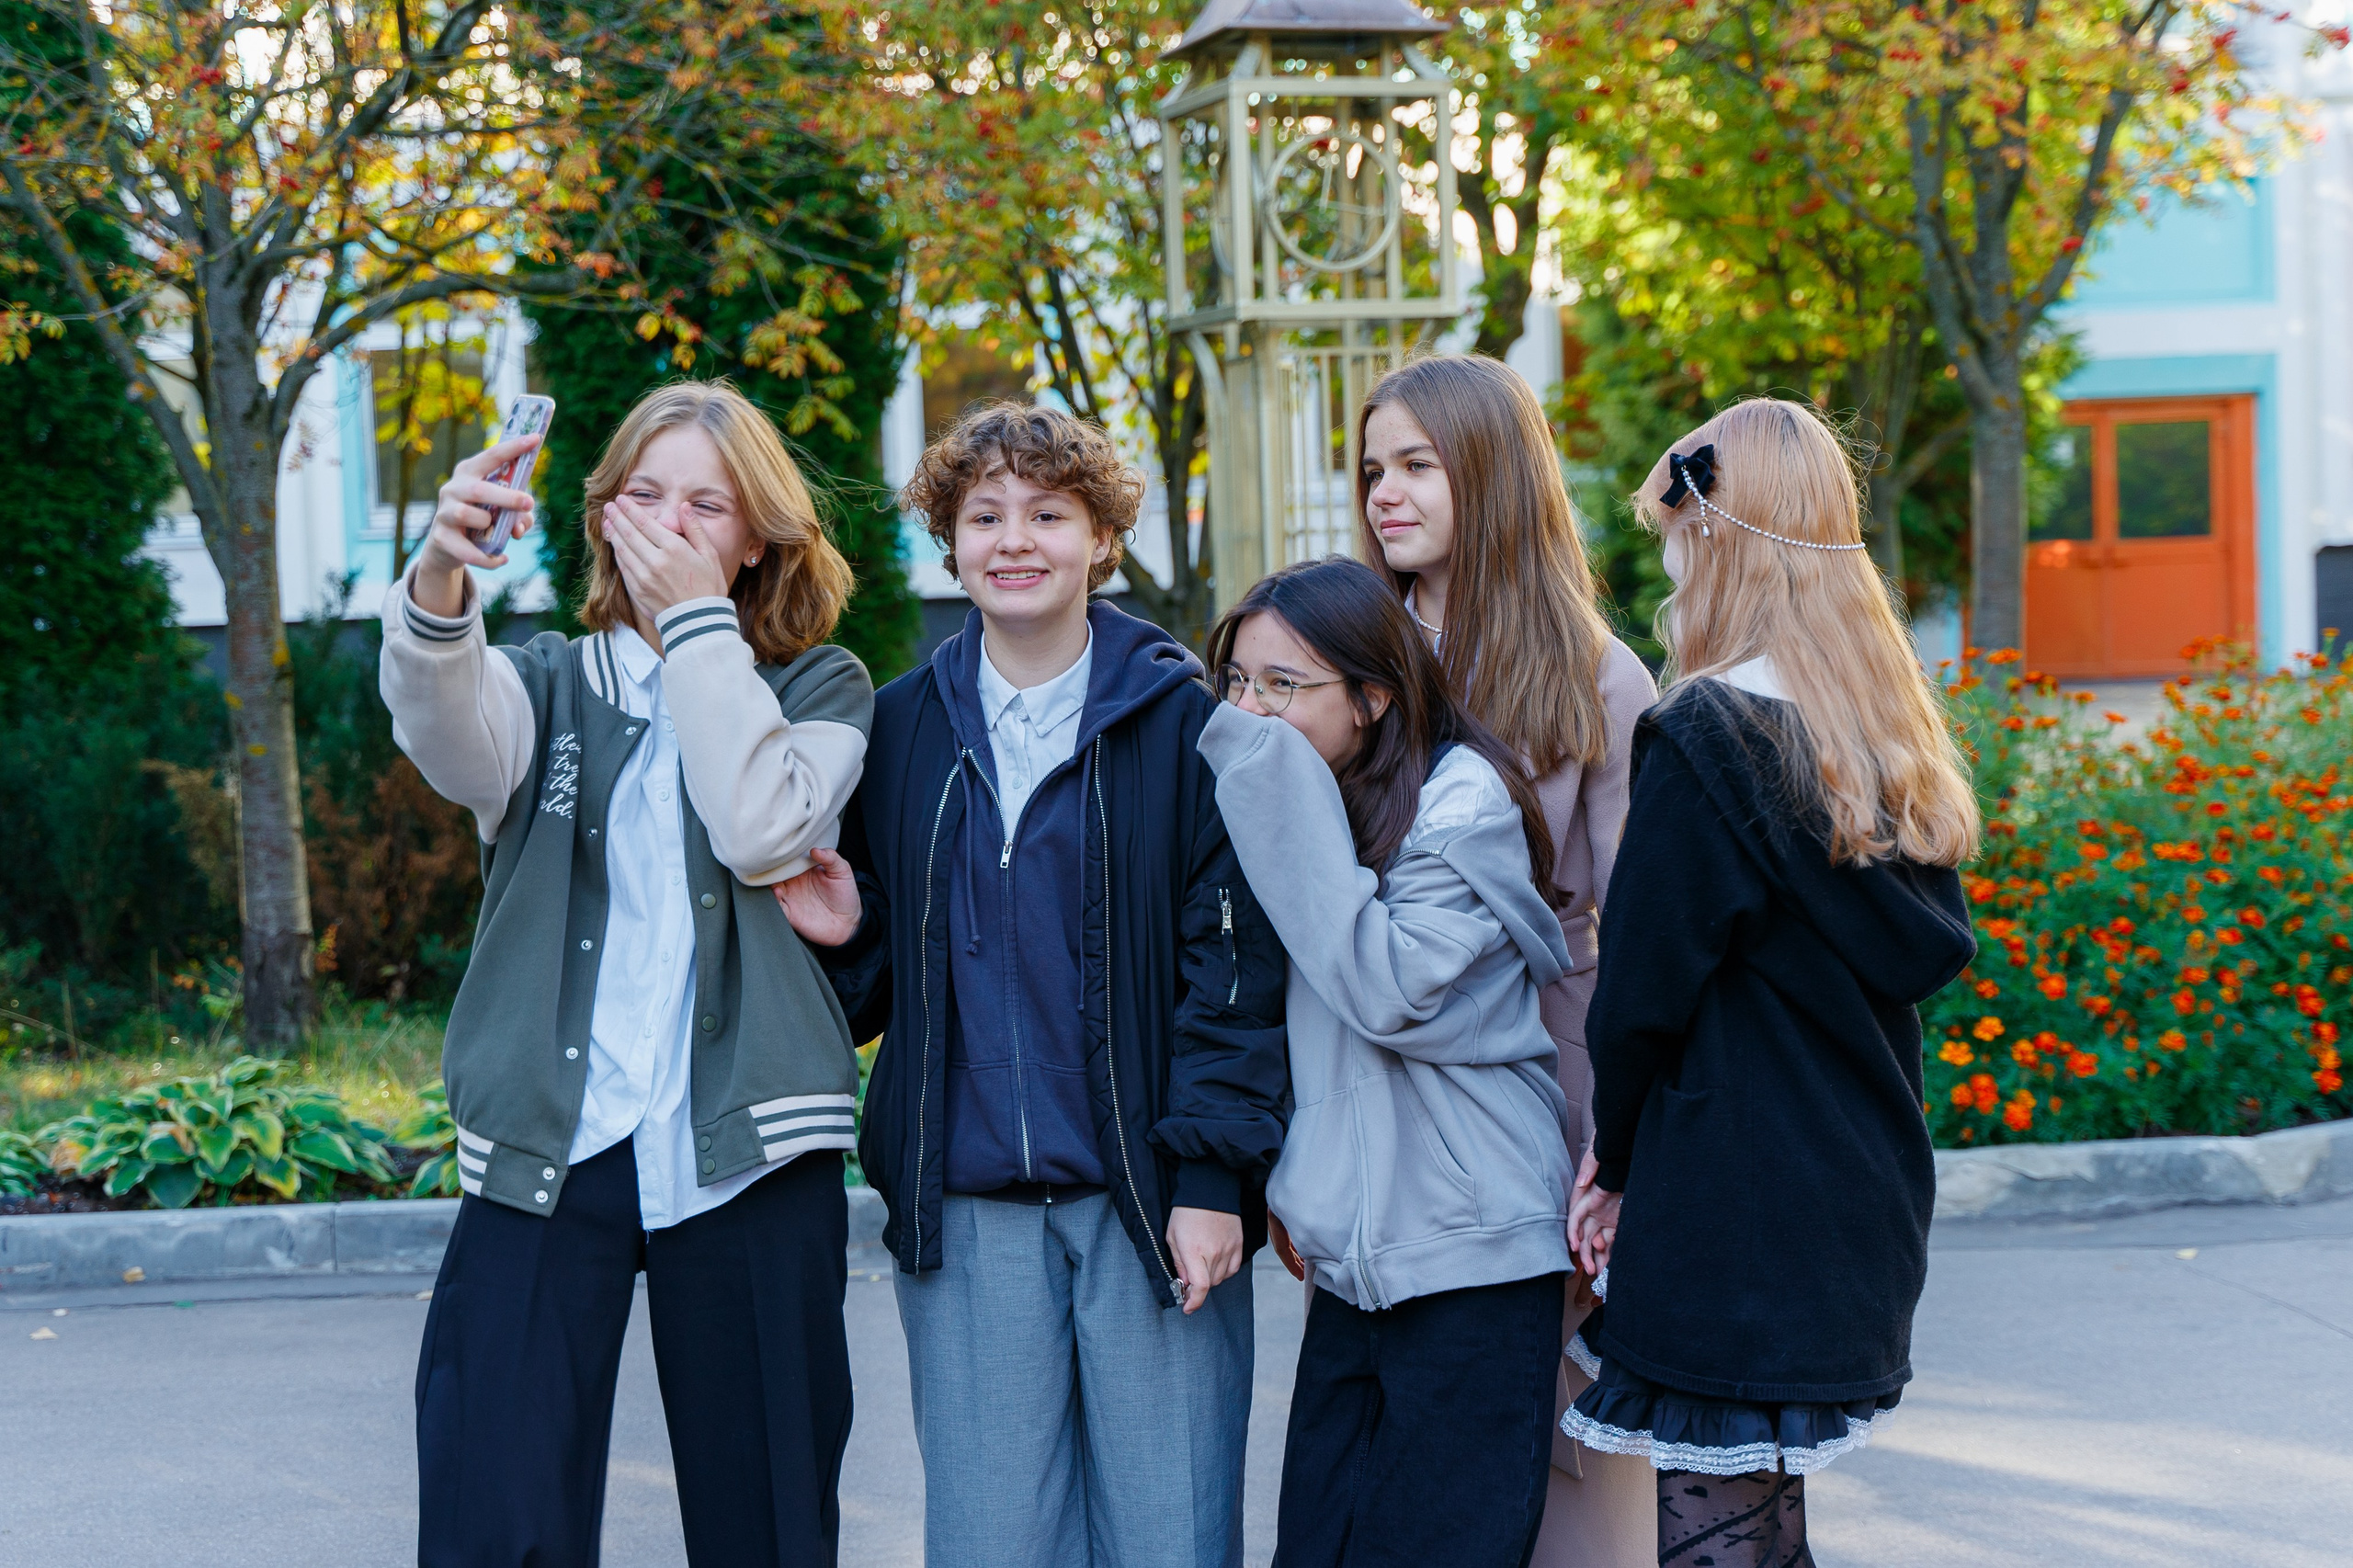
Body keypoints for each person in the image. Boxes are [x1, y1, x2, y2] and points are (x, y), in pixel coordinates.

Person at [772, 402, 1288, 1568]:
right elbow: (876, 990)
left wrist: (1214, 1179)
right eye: (984, 515)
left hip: (1151, 1202)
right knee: (993, 1542)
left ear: (1101, 539)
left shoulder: (1188, 727)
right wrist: (851, 935)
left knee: (1169, 1537)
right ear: (949, 544)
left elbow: (1234, 972)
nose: (1014, 539)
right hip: (966, 1214)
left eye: (1048, 514)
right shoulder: (895, 730)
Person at [383, 379, 873, 1567]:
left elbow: (759, 826)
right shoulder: (543, 683)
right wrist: (441, 572)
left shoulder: (820, 687)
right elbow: (445, 735)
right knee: (494, 1513)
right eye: (645, 495)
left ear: (755, 539)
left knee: (766, 1519)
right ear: (604, 516)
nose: (670, 524)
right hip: (552, 1139)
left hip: (749, 1146)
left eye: (707, 505)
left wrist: (699, 626)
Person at [1561, 399, 1980, 1566]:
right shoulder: (1875, 739)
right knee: (1764, 1532)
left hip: (1729, 1197)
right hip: (1855, 1187)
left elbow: (1640, 993)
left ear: (1714, 533)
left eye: (1672, 533)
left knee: (1720, 1538)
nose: (1666, 563)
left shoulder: (1704, 735)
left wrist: (1611, 1162)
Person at [1198, 555, 1575, 1568]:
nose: (1249, 711)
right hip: (1355, 1267)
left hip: (1473, 1251)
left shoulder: (1462, 800)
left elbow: (1386, 987)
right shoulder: (1320, 802)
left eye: (1283, 684)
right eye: (1236, 681)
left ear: (1373, 697)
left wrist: (1267, 783)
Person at [1353, 354, 1659, 1563]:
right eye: (1372, 469)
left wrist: (1617, 1140)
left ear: (1493, 471)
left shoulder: (1598, 673)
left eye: (1417, 465)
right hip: (1382, 1073)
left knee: (1571, 1425)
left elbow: (1643, 930)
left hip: (1547, 1070)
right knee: (1416, 1434)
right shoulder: (1347, 653)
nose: (1385, 492)